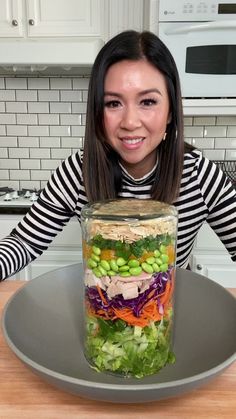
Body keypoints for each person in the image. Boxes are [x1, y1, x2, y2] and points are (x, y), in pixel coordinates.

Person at [0, 30, 235, 281]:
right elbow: (23, 243)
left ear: (170, 111)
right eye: (113, 103)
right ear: (98, 112)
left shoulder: (199, 175)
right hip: (103, 309)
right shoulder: (77, 172)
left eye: (147, 102)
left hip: (166, 310)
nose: (130, 122)